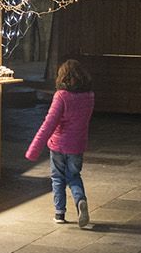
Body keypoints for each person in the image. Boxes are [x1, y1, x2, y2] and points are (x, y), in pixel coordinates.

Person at [28, 58, 96, 225]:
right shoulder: (89, 96)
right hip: (77, 145)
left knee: (58, 178)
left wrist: (34, 149)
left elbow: (49, 123)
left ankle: (59, 214)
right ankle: (80, 201)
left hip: (59, 145)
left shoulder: (61, 96)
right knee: (73, 176)